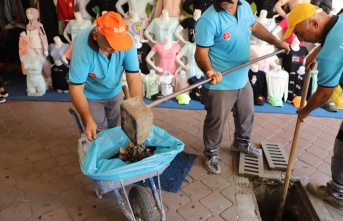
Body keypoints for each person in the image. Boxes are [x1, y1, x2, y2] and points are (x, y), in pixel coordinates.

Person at [195, 0, 290, 174]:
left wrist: (277, 41)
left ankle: (241, 143)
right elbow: (201, 52)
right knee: (216, 119)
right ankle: (211, 153)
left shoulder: (244, 7)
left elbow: (255, 27)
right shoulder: (208, 20)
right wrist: (209, 70)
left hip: (242, 77)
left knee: (247, 113)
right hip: (220, 82)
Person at [283, 3, 343, 209]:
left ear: (315, 23)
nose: (299, 40)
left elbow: (324, 93)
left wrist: (305, 111)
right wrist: (316, 51)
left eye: (300, 34)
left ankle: (337, 193)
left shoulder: (329, 55)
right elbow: (333, 37)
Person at [68, 12, 143, 141]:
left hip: (115, 91)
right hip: (91, 95)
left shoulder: (128, 41)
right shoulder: (82, 47)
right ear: (96, 36)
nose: (116, 50)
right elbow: (76, 88)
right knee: (99, 133)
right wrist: (88, 119)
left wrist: (139, 110)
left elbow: (133, 77)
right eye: (110, 45)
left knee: (113, 129)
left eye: (119, 44)